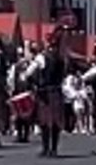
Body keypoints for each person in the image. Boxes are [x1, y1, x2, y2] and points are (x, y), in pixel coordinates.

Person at [25, 30, 67, 158]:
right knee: (55, 122)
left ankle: (45, 148)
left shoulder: (42, 57)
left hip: (45, 92)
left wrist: (35, 83)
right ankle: (54, 149)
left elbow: (28, 73)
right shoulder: (62, 58)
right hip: (57, 91)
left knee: (44, 122)